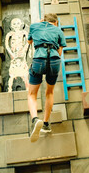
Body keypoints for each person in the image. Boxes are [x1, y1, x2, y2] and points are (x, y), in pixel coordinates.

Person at [27, 13, 66, 142]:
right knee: (49, 92)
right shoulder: (58, 30)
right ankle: (46, 124)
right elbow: (59, 52)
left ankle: (34, 119)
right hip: (54, 62)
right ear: (55, 22)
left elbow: (29, 41)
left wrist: (39, 23)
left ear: (43, 20)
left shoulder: (34, 26)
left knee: (32, 94)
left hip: (39, 60)